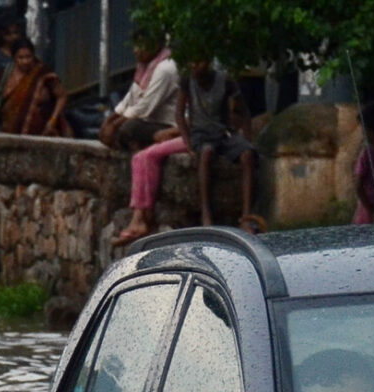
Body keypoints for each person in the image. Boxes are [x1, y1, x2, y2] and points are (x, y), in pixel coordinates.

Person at [103, 34, 183, 250]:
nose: (137, 51)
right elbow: (130, 99)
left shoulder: (167, 68)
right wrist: (110, 121)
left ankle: (140, 218)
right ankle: (138, 217)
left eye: (142, 46)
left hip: (177, 130)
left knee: (138, 142)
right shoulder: (144, 69)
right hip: (167, 129)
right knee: (141, 156)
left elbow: (144, 107)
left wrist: (176, 131)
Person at [181, 57, 262, 233]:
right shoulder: (188, 80)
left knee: (247, 154)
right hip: (201, 134)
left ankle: (246, 216)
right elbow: (179, 115)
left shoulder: (224, 80)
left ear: (208, 61)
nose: (196, 66)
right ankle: (206, 213)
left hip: (223, 132)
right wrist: (188, 143)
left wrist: (246, 138)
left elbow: (243, 110)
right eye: (193, 62)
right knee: (206, 153)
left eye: (200, 61)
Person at [0, 36, 67, 136]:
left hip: (40, 132)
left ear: (33, 56)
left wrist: (52, 120)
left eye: (28, 57)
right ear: (14, 57)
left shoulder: (43, 74)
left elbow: (62, 96)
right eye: (20, 57)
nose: (25, 61)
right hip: (10, 131)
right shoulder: (6, 74)